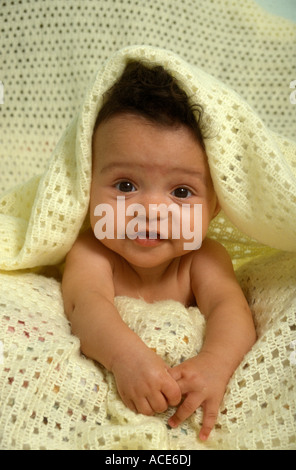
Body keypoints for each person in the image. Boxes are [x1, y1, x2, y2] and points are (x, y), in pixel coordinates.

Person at [62, 61, 257, 441]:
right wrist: (125, 358)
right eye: (124, 185)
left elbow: (230, 310)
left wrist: (215, 364)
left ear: (214, 208)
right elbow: (84, 304)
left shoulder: (204, 258)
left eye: (181, 192)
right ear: (87, 187)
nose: (150, 210)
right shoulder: (92, 253)